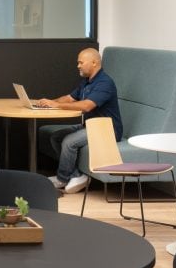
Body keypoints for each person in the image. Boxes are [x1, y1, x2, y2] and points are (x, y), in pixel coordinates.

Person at [36, 47, 123, 195]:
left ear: (94, 62)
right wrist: (49, 102)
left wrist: (57, 105)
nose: (78, 66)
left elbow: (87, 106)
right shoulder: (86, 82)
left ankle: (62, 179)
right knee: (56, 137)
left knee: (69, 141)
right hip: (89, 125)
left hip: (107, 130)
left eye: (81, 62)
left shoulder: (105, 83)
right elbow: (69, 98)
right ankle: (76, 175)